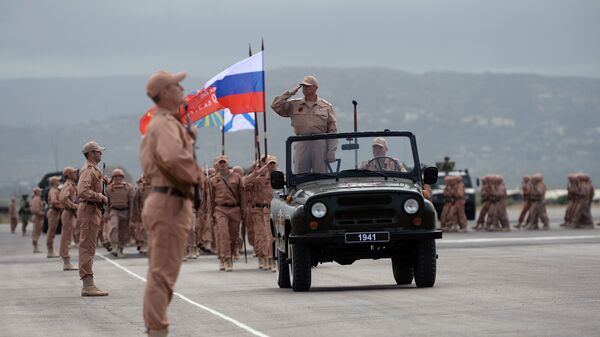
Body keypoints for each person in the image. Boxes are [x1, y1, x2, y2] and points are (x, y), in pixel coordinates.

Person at [140, 70, 203, 336]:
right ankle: (157, 331)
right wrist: (198, 176)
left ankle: (157, 328)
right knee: (162, 275)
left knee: (162, 274)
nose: (182, 88)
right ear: (164, 92)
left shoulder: (168, 122)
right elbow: (174, 159)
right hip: (169, 203)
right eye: (177, 85)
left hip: (169, 201)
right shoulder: (165, 123)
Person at [271, 75, 337, 174]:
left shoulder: (326, 106)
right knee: (300, 175)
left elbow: (332, 130)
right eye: (303, 86)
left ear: (315, 88)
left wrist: (331, 150)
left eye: (308, 86)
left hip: (320, 143)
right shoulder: (295, 104)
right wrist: (289, 94)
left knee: (321, 175)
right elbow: (275, 106)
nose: (305, 89)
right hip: (302, 141)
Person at [77, 140, 109, 297]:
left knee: (90, 246)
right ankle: (87, 285)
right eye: (98, 151)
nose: (101, 153)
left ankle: (89, 283)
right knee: (87, 247)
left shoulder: (94, 171)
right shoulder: (88, 170)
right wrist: (100, 196)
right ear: (91, 153)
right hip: (89, 210)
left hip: (92, 210)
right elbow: (82, 191)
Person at [209, 155, 244, 271]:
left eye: (224, 162)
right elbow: (211, 198)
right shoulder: (213, 180)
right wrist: (211, 214)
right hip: (220, 209)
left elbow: (242, 196)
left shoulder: (237, 177)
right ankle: (226, 259)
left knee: (234, 235)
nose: (222, 164)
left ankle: (232, 253)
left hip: (234, 209)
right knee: (223, 234)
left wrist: (244, 211)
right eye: (220, 163)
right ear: (217, 165)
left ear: (227, 163)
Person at [244, 155, 278, 271]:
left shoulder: (280, 177)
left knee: (272, 236)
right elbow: (245, 182)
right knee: (263, 235)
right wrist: (258, 172)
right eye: (269, 164)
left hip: (277, 209)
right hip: (262, 209)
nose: (271, 166)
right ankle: (266, 258)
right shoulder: (258, 178)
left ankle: (272, 258)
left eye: (273, 163)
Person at [107, 168, 133, 258]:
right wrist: (106, 213)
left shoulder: (128, 187)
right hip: (114, 210)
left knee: (123, 232)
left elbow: (131, 202)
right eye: (116, 177)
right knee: (114, 227)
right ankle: (114, 246)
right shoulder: (109, 188)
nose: (118, 179)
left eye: (119, 177)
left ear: (122, 178)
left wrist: (131, 214)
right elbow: (107, 202)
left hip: (125, 210)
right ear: (113, 178)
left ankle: (120, 249)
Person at [59, 167, 79, 270]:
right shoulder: (68, 185)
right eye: (74, 172)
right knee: (66, 237)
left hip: (70, 213)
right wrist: (75, 206)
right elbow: (63, 198)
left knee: (68, 237)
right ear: (69, 174)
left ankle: (67, 262)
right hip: (68, 212)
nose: (76, 173)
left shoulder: (72, 184)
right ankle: (66, 262)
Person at [45, 176, 62, 258]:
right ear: (54, 182)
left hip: (56, 212)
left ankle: (50, 250)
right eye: (57, 180)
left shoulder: (56, 190)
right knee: (51, 231)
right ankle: (50, 250)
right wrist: (63, 204)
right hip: (53, 211)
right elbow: (54, 201)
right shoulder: (53, 191)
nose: (59, 181)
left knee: (52, 231)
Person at [30, 188, 45, 253]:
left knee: (38, 232)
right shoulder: (36, 199)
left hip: (39, 218)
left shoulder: (38, 199)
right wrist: (42, 213)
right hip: (37, 217)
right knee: (36, 232)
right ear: (37, 192)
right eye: (39, 191)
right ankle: (35, 248)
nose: (41, 192)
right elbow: (35, 209)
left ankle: (36, 246)